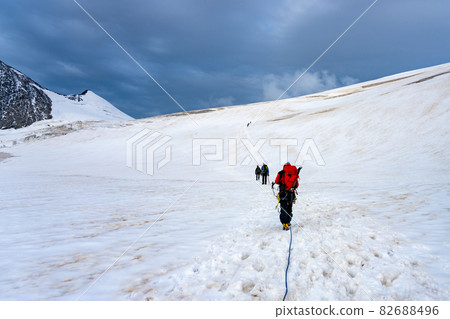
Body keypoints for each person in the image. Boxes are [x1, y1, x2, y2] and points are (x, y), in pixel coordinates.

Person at [272, 163, 301, 230]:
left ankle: (284, 223)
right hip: (291, 194)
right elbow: (296, 185)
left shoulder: (281, 173)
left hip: (283, 194)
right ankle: (288, 221)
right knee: (289, 208)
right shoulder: (293, 174)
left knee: (283, 209)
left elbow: (276, 181)